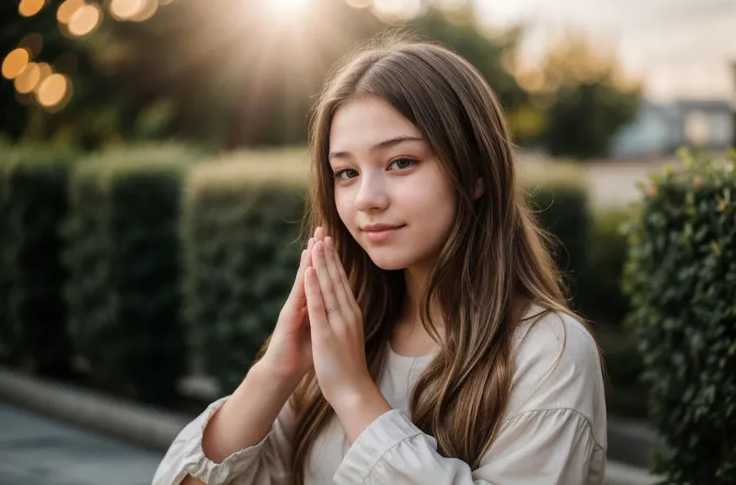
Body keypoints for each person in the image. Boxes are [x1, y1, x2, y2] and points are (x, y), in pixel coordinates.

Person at [152, 35, 607, 485]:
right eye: (346, 173)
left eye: (400, 162)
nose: (366, 199)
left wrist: (354, 394)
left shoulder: (549, 352)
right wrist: (275, 371)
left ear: (475, 174)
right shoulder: (346, 335)